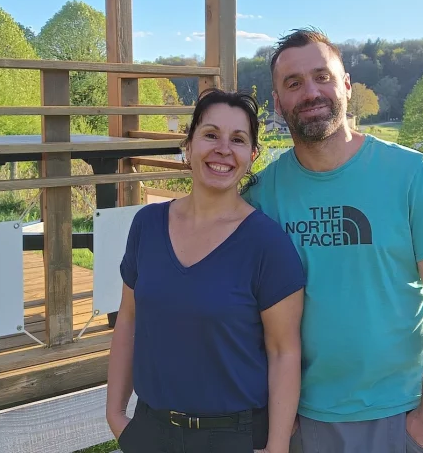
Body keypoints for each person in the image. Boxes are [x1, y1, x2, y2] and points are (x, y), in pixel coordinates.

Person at [244, 28, 423, 453]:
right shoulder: (261, 194)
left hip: (399, 417)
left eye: (322, 76)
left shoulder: (411, 175)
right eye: (293, 84)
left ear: (346, 85)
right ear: (278, 103)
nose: (311, 92)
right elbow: (246, 312)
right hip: (300, 419)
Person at [106, 89, 306, 453]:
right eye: (211, 134)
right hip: (151, 431)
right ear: (188, 144)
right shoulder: (147, 225)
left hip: (233, 436)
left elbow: (284, 352)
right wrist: (116, 416)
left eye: (238, 139)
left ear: (252, 156)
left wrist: (277, 446)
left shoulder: (267, 243)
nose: (223, 149)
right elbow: (128, 322)